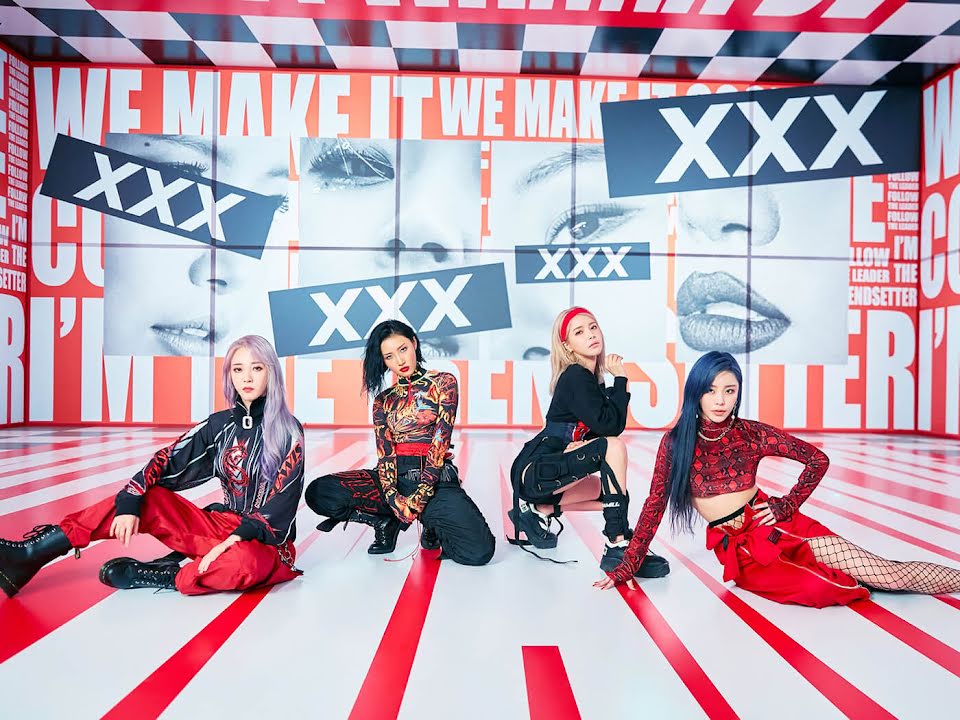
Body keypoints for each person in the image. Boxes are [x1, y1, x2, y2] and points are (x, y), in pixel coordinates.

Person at [596, 351, 960, 606]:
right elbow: (655, 505)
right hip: (744, 553)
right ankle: (855, 577)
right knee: (821, 590)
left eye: (729, 390)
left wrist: (786, 505)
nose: (720, 400)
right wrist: (627, 565)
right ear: (696, 391)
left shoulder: (751, 433)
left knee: (885, 575)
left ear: (738, 393)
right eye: (711, 390)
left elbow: (817, 459)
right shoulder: (676, 442)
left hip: (778, 524)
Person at [0, 335, 305, 597]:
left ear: (271, 373)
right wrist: (130, 500)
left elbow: (283, 503)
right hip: (220, 526)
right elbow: (167, 459)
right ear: (230, 375)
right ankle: (33, 553)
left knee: (244, 563)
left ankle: (165, 575)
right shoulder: (218, 425)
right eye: (238, 369)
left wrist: (233, 540)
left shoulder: (289, 430)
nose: (247, 378)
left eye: (257, 368)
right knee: (149, 497)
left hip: (267, 545)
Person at [305, 319, 495, 565]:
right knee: (320, 492)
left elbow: (440, 441)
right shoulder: (383, 401)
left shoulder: (443, 382)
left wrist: (422, 494)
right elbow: (385, 454)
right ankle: (385, 520)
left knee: (479, 553)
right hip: (392, 478)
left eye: (403, 349)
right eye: (389, 356)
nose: (400, 361)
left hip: (433, 478)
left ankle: (432, 524)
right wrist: (392, 496)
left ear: (414, 343)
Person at [508, 307, 670, 578]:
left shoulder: (592, 381)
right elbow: (611, 429)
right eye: (579, 332)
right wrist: (621, 379)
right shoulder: (575, 375)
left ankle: (539, 510)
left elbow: (606, 426)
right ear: (567, 346)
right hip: (535, 471)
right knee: (614, 448)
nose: (591, 335)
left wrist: (581, 443)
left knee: (614, 494)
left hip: (548, 475)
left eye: (593, 327)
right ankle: (617, 544)